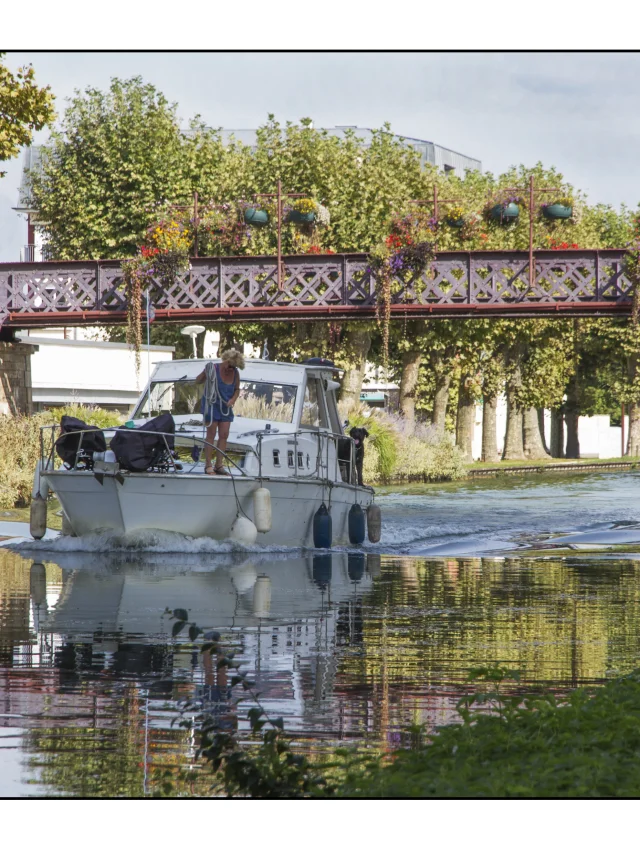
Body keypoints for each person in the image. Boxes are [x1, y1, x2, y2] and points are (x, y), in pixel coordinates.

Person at [195, 348, 245, 475]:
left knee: (224, 434)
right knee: (211, 434)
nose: (231, 369)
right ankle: (208, 465)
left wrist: (233, 400)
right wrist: (205, 372)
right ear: (226, 360)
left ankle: (219, 464)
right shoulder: (214, 369)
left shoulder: (235, 373)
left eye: (234, 367)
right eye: (230, 366)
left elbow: (237, 389)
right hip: (211, 405)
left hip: (225, 407)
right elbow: (198, 381)